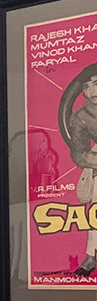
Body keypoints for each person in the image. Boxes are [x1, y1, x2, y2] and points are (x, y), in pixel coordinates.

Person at [65, 66, 97, 276]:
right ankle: (91, 257)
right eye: (90, 85)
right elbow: (79, 154)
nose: (94, 90)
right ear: (84, 90)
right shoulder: (80, 117)